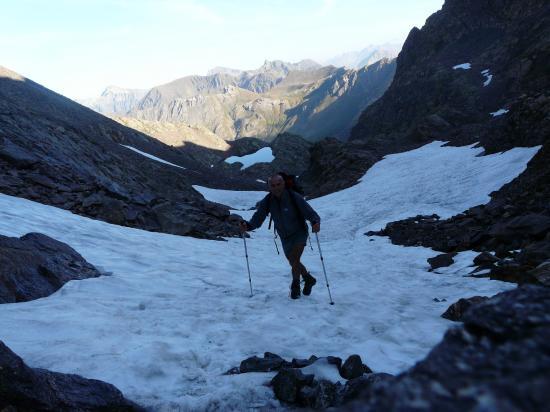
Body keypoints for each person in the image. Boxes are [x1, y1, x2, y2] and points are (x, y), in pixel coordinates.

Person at [239, 174, 321, 299]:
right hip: (284, 236)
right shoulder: (267, 201)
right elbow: (259, 217)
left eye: (279, 184)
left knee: (295, 257)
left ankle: (295, 286)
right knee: (294, 261)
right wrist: (249, 226)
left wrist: (315, 222)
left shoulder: (294, 197)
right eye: (273, 185)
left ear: (283, 184)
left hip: (299, 232)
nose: (276, 188)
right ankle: (308, 279)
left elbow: (309, 212)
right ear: (269, 187)